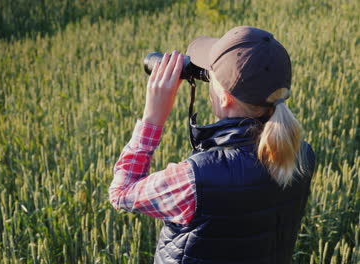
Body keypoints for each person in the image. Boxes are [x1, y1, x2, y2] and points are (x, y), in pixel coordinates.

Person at [108, 26, 316, 263]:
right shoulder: (300, 154)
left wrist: (152, 118)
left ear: (225, 97)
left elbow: (121, 193)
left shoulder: (194, 178)